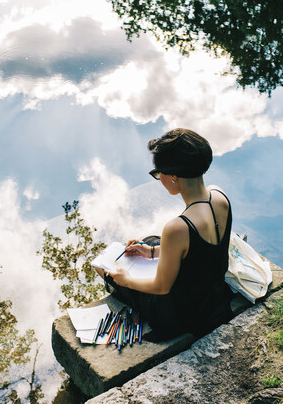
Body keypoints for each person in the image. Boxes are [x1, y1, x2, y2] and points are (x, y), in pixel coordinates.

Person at [95, 128, 234, 339]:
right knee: (150, 241)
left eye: (158, 173)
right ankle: (148, 251)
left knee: (102, 266)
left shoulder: (178, 227)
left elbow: (161, 287)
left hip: (182, 312)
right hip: (213, 296)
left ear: (173, 177)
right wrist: (151, 252)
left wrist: (127, 280)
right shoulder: (219, 196)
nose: (159, 178)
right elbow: (201, 250)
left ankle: (121, 280)